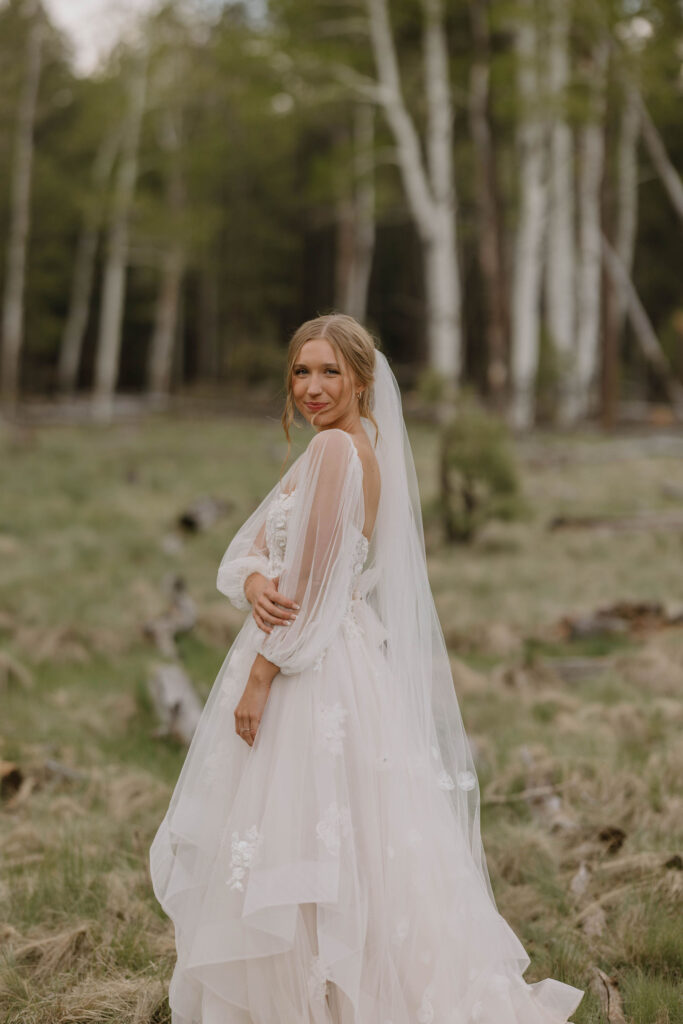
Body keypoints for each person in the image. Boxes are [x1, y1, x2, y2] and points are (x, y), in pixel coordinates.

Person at [150, 314, 584, 1024]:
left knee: (302, 829)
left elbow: (318, 586)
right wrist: (257, 581)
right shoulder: (339, 449)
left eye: (328, 373)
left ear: (360, 379)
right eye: (300, 372)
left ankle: (316, 997)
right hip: (324, 651)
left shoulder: (335, 455)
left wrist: (260, 678)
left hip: (305, 667)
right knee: (338, 836)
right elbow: (251, 552)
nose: (312, 387)